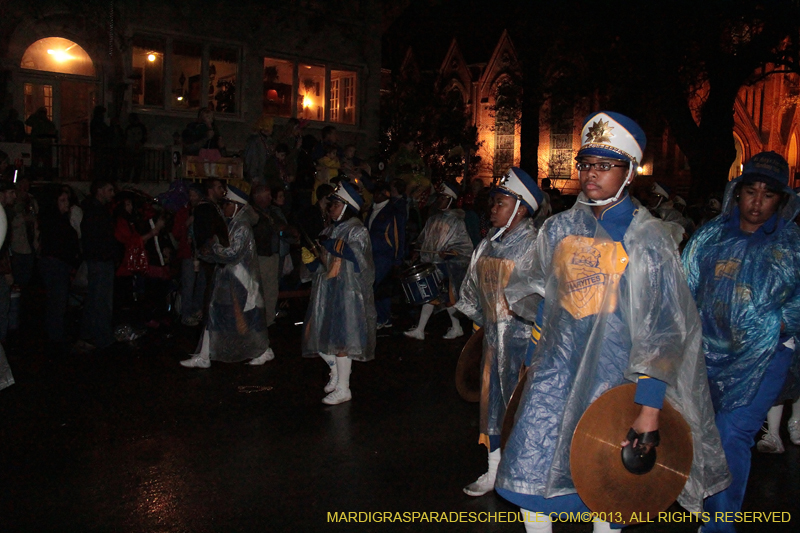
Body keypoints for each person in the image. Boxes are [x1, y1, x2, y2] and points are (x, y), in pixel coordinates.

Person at [495, 112, 729, 533]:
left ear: (630, 172)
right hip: (554, 376)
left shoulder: (650, 240)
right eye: (586, 164)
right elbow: (545, 301)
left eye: (605, 165)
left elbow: (664, 329)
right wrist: (532, 363)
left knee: (607, 490)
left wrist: (649, 408)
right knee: (529, 478)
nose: (591, 175)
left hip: (614, 381)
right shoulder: (560, 228)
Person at [682, 151, 800, 533]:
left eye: (768, 194)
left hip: (765, 358)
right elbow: (684, 287)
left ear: (781, 200)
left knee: (734, 432)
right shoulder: (710, 236)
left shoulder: (792, 244)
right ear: (738, 191)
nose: (757, 202)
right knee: (706, 431)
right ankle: (709, 503)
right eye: (752, 191)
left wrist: (774, 326)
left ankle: (720, 525)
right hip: (709, 353)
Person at [456, 167, 544, 497]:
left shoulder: (536, 246)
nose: (493, 208)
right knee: (491, 405)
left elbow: (546, 299)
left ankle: (521, 472)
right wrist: (480, 328)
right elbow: (473, 288)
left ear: (521, 209)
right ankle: (493, 470)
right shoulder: (488, 245)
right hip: (494, 338)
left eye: (501, 202)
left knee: (520, 409)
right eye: (493, 202)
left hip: (525, 343)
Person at [180, 186, 274, 368]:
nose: (225, 207)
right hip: (228, 280)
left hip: (240, 281)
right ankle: (205, 355)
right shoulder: (231, 223)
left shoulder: (241, 226)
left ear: (237, 206)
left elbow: (232, 253)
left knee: (244, 317)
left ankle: (263, 350)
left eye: (228, 203)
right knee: (216, 315)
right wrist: (208, 251)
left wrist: (212, 248)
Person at [301, 182, 376, 405]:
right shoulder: (331, 229)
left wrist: (330, 244)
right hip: (328, 292)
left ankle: (344, 387)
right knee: (318, 335)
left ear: (346, 207)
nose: (330, 209)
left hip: (347, 293)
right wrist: (312, 260)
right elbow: (323, 261)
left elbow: (358, 257)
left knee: (342, 339)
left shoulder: (357, 230)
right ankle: (337, 373)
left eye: (334, 204)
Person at [404, 182, 473, 340]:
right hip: (431, 263)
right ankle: (424, 330)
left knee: (444, 298)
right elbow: (423, 238)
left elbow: (465, 246)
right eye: (439, 198)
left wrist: (449, 254)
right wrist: (417, 250)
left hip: (447, 266)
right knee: (432, 296)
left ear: (450, 200)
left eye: (443, 198)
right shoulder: (433, 219)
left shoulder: (457, 222)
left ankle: (454, 328)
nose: (439, 201)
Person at [77, 179, 117, 352]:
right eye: (109, 190)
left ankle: (89, 335)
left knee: (95, 300)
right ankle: (103, 338)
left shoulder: (97, 210)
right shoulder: (94, 211)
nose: (112, 194)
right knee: (101, 301)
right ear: (100, 190)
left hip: (100, 260)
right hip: (100, 261)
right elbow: (97, 238)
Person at [38, 187, 81, 344]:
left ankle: (55, 333)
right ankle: (55, 335)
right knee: (57, 301)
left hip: (60, 264)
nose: (66, 204)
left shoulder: (61, 220)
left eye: (67, 200)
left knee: (57, 301)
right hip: (56, 264)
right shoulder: (53, 222)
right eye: (62, 201)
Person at [365, 181, 406, 329]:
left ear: (385, 194)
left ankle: (383, 317)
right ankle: (381, 317)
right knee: (376, 286)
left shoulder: (393, 212)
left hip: (384, 255)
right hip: (372, 254)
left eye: (378, 193)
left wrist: (397, 259)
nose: (375, 196)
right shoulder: (372, 210)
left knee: (381, 287)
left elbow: (399, 236)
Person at [172, 185, 206, 326]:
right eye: (190, 195)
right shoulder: (183, 212)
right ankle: (185, 314)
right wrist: (187, 224)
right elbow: (176, 233)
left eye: (195, 195)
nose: (192, 198)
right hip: (188, 254)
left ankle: (196, 309)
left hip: (203, 253)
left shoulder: (204, 211)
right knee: (188, 284)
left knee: (201, 284)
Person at [251, 185, 281, 326]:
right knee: (257, 290)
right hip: (260, 256)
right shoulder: (252, 214)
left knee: (271, 290)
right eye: (267, 195)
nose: (270, 198)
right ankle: (255, 320)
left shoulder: (271, 212)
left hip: (271, 255)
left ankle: (268, 319)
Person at [243, 114, 274, 184]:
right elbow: (252, 159)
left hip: (264, 175)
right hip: (258, 177)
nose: (272, 129)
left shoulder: (267, 141)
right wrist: (254, 176)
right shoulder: (255, 141)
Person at [124, 113, 148, 182]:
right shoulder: (129, 127)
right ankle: (128, 179)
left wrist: (139, 144)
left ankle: (135, 180)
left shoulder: (140, 127)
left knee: (137, 166)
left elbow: (144, 137)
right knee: (129, 165)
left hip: (137, 149)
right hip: (131, 149)